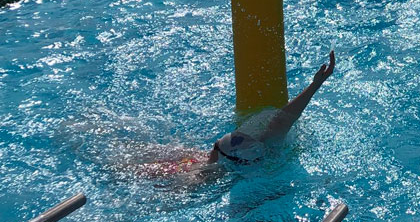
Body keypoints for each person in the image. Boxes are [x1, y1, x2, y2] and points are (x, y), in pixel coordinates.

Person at [137, 53, 337, 178]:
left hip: (226, 147)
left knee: (196, 169)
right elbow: (284, 119)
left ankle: (133, 171)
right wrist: (316, 84)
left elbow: (283, 117)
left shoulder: (269, 131)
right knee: (199, 179)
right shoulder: (273, 142)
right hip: (242, 154)